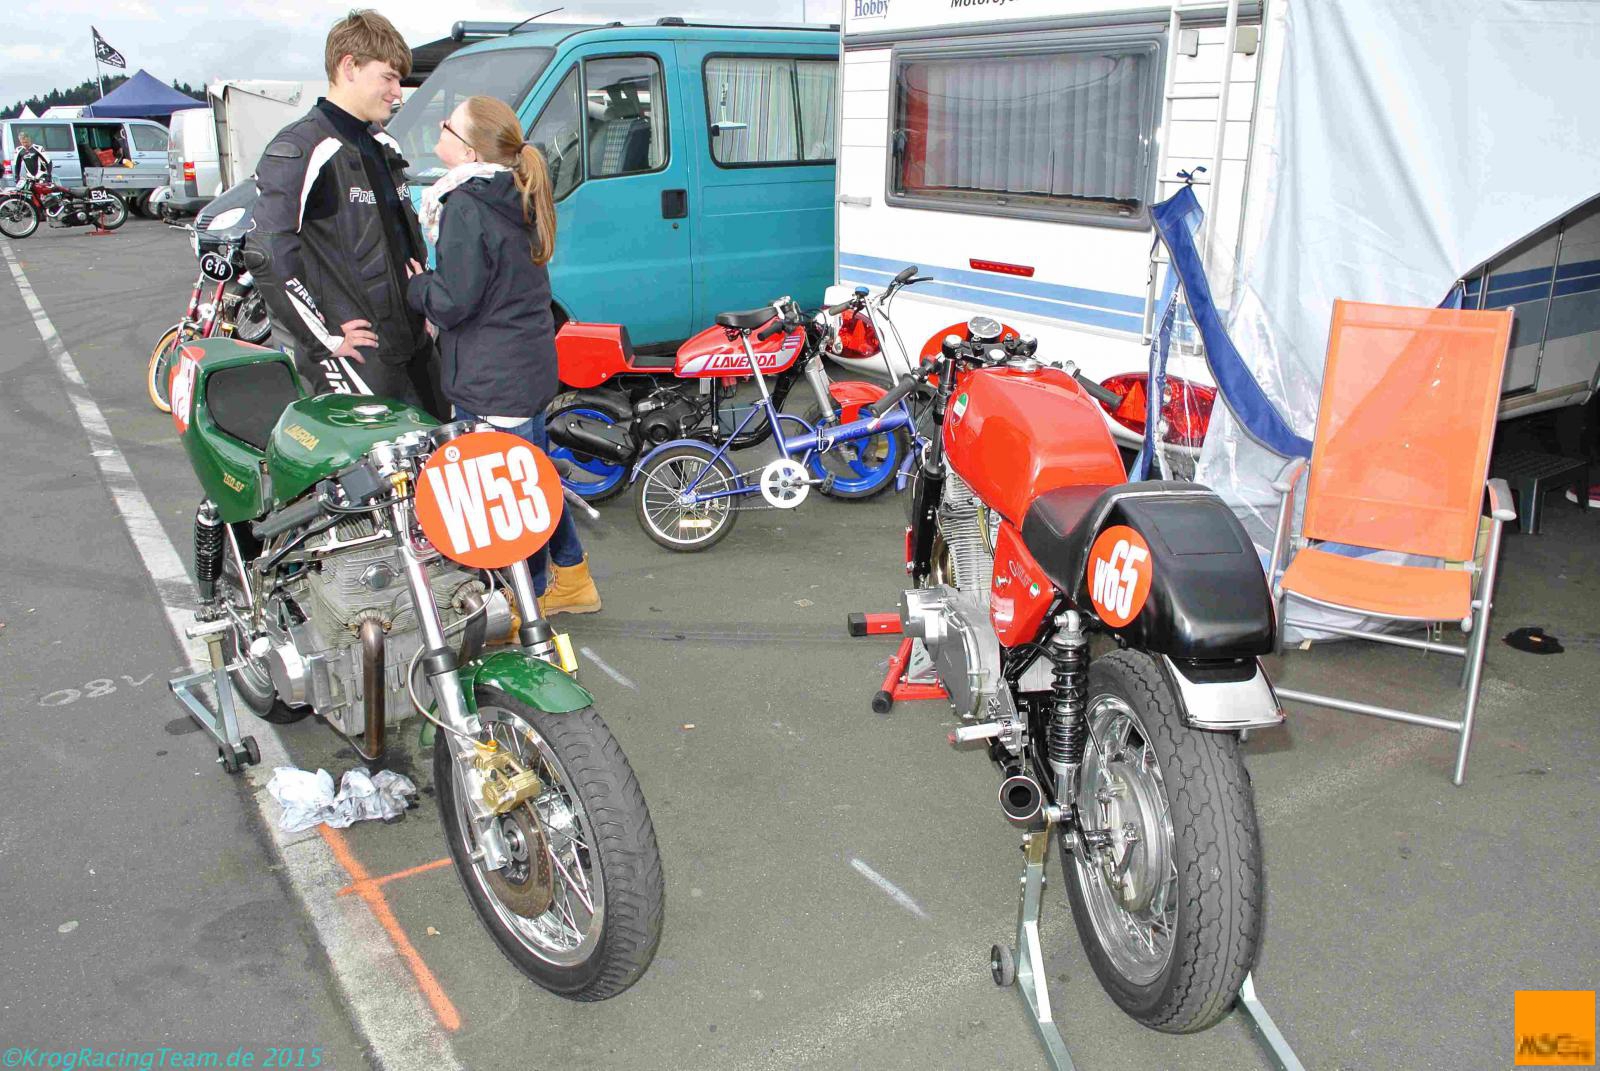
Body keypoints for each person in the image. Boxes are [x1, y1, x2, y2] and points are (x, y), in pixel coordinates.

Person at [404, 96, 600, 616]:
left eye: (447, 125)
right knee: (532, 481)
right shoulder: (512, 191)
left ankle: (524, 603)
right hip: (524, 368)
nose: (439, 129)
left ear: (470, 151)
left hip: (492, 377)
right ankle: (573, 578)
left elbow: (455, 301)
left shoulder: (466, 205)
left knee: (508, 502)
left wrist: (418, 287)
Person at [252, 9, 443, 416]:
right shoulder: (301, 147)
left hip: (415, 345)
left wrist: (425, 306)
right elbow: (266, 254)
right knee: (372, 458)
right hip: (356, 356)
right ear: (349, 67)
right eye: (388, 78)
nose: (398, 92)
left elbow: (404, 238)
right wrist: (324, 336)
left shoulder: (383, 144)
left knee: (443, 446)